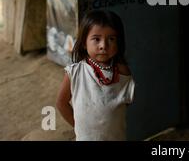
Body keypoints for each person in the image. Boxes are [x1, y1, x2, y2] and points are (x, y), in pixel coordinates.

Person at [56, 10, 135, 141]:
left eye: (111, 39)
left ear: (118, 42)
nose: (103, 45)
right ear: (84, 43)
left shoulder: (122, 71)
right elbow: (61, 103)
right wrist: (79, 127)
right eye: (96, 39)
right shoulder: (74, 73)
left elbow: (124, 101)